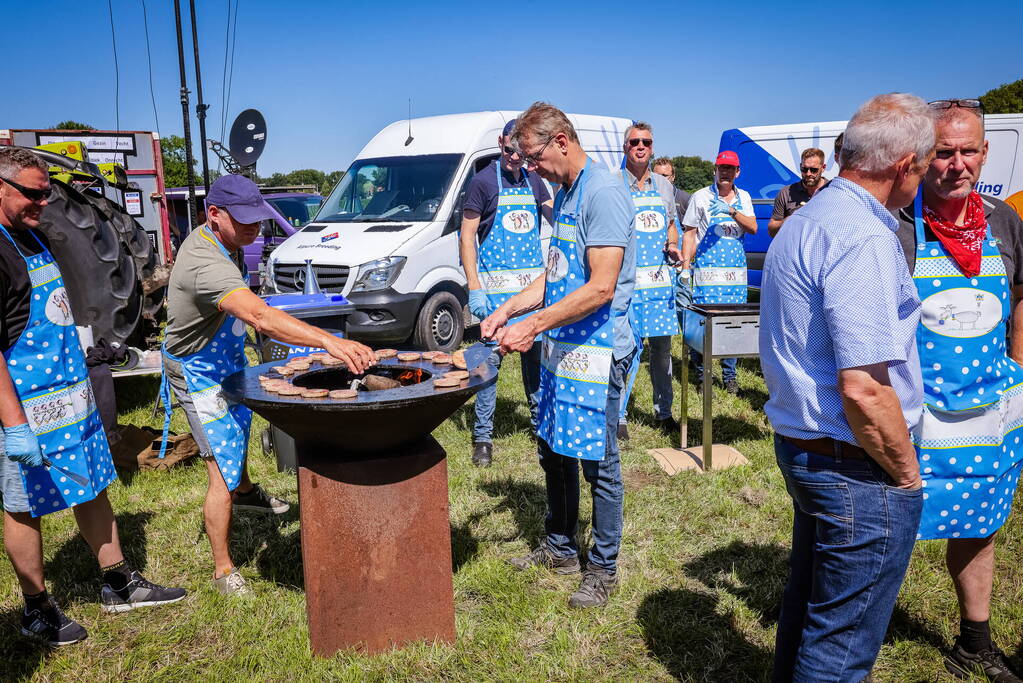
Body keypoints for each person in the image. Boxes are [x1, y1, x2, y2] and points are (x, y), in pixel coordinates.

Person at [760, 93, 935, 681]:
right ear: (904, 163)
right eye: (928, 162)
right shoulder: (861, 236)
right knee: (840, 646)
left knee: (810, 609)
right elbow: (863, 389)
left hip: (809, 450)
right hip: (854, 465)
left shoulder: (809, 218)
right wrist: (907, 477)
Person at [0, 147, 185, 646]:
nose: (43, 201)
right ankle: (36, 609)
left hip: (69, 394)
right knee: (25, 507)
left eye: (46, 192)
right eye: (33, 193)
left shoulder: (32, 237)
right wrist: (14, 426)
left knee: (92, 484)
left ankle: (118, 583)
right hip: (25, 406)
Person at [161, 174, 376, 595]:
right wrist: (330, 341)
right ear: (213, 214)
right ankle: (224, 570)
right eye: (242, 221)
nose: (252, 229)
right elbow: (258, 316)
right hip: (196, 370)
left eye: (257, 220)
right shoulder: (205, 262)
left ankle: (246, 493)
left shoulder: (228, 244)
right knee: (218, 465)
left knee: (237, 434)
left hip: (224, 357)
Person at [481, 102, 635, 609]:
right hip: (563, 347)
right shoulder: (566, 192)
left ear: (561, 142)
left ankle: (604, 567)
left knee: (600, 462)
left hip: (599, 350)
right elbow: (557, 272)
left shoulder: (605, 192)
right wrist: (508, 309)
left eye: (531, 156)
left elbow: (601, 288)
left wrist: (533, 325)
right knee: (555, 447)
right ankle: (560, 547)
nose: (527, 167)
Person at [895, 98, 1023, 682]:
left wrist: (1018, 368)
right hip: (913, 412)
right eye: (943, 152)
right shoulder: (897, 223)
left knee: (980, 522)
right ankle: (853, 630)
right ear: (924, 155)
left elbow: (1020, 296)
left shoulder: (1002, 221)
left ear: (985, 152)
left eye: (968, 150)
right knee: (886, 525)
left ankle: (974, 641)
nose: (956, 163)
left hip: (987, 407)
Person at [459, 118, 553, 467]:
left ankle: (541, 426)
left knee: (537, 367)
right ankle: (483, 439)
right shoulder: (483, 182)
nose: (515, 157)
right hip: (495, 300)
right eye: (510, 149)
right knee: (487, 367)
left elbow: (556, 217)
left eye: (521, 151)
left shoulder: (535, 181)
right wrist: (474, 287)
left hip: (530, 298)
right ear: (501, 143)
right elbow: (466, 236)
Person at [615, 125, 680, 441]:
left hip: (658, 284)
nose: (640, 146)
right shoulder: (614, 185)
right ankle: (619, 416)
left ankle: (663, 413)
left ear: (652, 148)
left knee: (662, 352)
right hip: (625, 285)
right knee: (625, 351)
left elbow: (670, 224)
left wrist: (672, 244)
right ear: (625, 146)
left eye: (646, 142)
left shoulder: (663, 187)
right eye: (634, 142)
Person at [679, 150, 757, 394]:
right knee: (704, 324)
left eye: (730, 169)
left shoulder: (743, 197)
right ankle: (704, 376)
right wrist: (684, 268)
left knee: (732, 324)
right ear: (715, 169)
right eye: (722, 168)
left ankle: (730, 375)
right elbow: (690, 233)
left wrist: (731, 210)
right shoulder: (700, 197)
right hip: (708, 275)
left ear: (738, 172)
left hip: (734, 277)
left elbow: (753, 227)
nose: (726, 172)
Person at [767, 148, 828, 237]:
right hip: (794, 249)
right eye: (804, 169)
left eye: (814, 170)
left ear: (823, 168)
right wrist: (789, 220)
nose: (808, 174)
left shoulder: (832, 191)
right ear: (800, 167)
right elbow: (772, 231)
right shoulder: (786, 192)